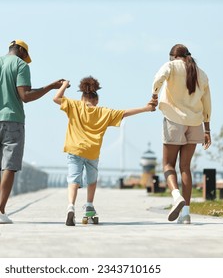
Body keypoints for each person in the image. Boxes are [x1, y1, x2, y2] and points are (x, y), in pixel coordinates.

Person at [0, 39, 64, 224]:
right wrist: (51, 87)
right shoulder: (21, 65)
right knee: (10, 166)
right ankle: (1, 210)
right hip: (13, 121)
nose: (24, 58)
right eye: (25, 55)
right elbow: (25, 96)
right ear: (20, 50)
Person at [53, 76, 157, 226]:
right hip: (92, 152)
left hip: (75, 149)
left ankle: (71, 206)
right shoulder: (104, 112)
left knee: (73, 179)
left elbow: (56, 98)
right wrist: (146, 108)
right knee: (92, 180)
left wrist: (64, 85)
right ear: (97, 100)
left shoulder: (74, 105)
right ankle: (89, 205)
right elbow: (125, 113)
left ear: (82, 97)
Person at [150, 44, 212, 224]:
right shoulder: (202, 74)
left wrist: (154, 95)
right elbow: (207, 103)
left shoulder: (171, 66)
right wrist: (207, 128)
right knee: (185, 167)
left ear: (173, 57)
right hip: (195, 123)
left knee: (168, 165)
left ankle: (176, 197)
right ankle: (186, 215)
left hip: (174, 120)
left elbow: (158, 78)